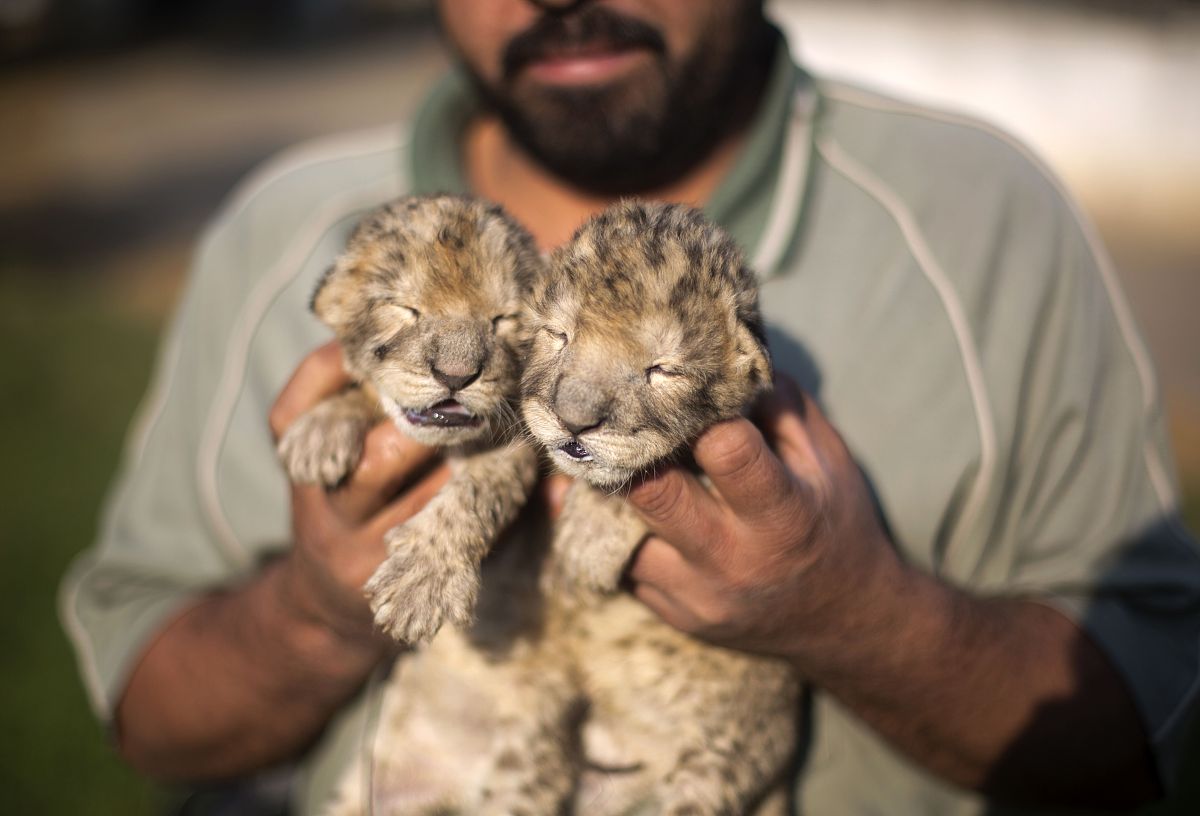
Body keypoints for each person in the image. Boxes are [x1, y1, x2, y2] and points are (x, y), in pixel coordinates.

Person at [61, 0, 1200, 813]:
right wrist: (315, 613)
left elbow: (1145, 730)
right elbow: (148, 714)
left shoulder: (989, 217)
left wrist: (855, 614)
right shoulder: (286, 227)